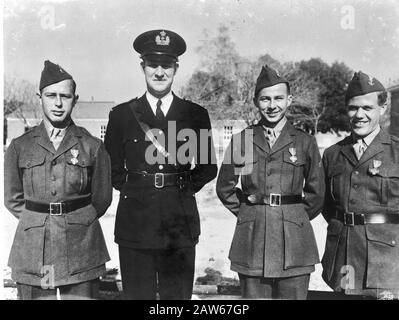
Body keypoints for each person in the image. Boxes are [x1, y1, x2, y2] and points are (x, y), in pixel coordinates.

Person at [104, 29, 217, 300]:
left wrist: (180, 188)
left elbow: (207, 167)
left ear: (175, 68)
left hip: (179, 223)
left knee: (176, 299)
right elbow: (112, 170)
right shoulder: (121, 115)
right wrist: (139, 188)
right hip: (135, 223)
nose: (159, 72)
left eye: (166, 65)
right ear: (142, 66)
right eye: (153, 65)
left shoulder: (195, 114)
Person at [4, 60, 112, 300]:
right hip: (33, 249)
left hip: (81, 246)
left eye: (65, 96)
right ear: (39, 97)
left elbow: (102, 199)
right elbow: (12, 199)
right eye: (51, 95)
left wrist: (76, 221)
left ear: (75, 99)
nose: (58, 103)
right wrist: (38, 221)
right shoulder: (20, 147)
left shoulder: (92, 146)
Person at [216, 65, 325, 300]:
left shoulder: (305, 142)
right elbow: (225, 188)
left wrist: (293, 217)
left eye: (278, 98)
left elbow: (316, 194)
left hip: (295, 244)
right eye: (265, 99)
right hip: (252, 240)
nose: (272, 105)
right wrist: (250, 213)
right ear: (256, 101)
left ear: (289, 100)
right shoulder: (242, 141)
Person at [322, 71, 399, 299]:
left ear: (382, 109)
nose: (359, 115)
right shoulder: (333, 154)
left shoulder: (397, 151)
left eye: (367, 108)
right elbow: (328, 207)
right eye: (353, 108)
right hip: (344, 257)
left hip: (386, 259)